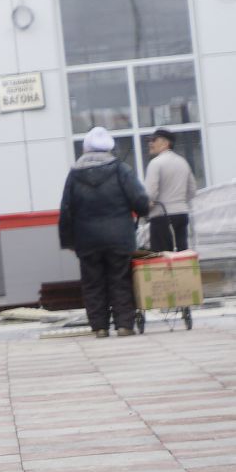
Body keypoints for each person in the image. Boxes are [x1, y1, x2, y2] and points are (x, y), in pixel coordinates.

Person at [60, 127, 150, 337]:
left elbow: (66, 210)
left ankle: (100, 327)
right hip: (119, 237)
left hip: (86, 239)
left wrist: (69, 241)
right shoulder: (120, 169)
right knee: (120, 280)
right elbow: (139, 199)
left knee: (93, 283)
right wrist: (145, 209)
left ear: (85, 148)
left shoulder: (74, 175)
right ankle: (124, 325)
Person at [145, 130, 196, 252]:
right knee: (182, 255)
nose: (150, 143)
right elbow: (192, 190)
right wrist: (180, 202)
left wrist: (146, 207)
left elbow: (150, 194)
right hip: (182, 214)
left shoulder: (155, 163)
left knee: (162, 257)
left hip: (161, 216)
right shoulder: (183, 162)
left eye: (154, 140)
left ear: (165, 143)